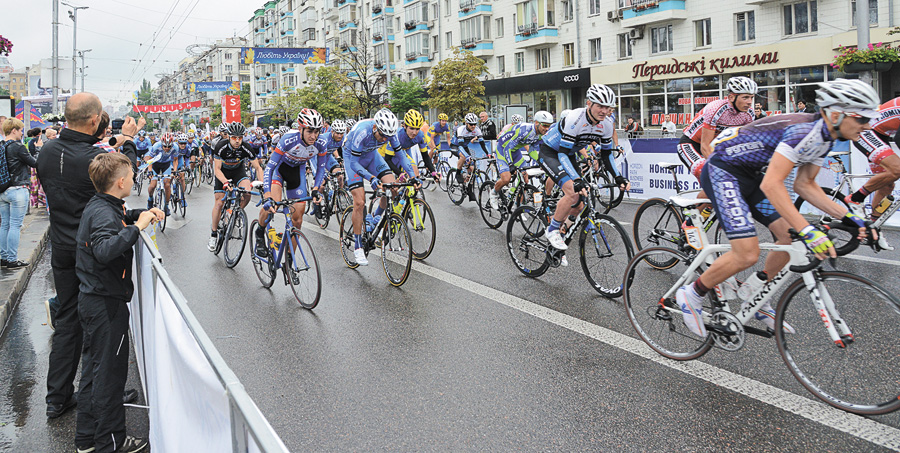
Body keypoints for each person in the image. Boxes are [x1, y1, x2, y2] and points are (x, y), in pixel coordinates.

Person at [678, 79, 879, 338]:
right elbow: (774, 184)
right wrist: (808, 230)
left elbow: (805, 185)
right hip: (723, 172)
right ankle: (692, 294)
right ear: (837, 113)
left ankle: (757, 295)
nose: (868, 126)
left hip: (752, 176)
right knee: (747, 253)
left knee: (787, 236)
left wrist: (854, 220)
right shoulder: (803, 132)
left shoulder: (826, 137)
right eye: (862, 119)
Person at [37, 92, 144, 420]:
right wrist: (127, 140)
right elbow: (125, 178)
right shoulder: (94, 158)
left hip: (62, 248)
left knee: (68, 322)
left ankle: (57, 397)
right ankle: (103, 392)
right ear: (96, 120)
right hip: (95, 250)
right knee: (104, 327)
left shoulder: (46, 152)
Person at [75, 152, 160, 453]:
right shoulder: (102, 212)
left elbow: (116, 220)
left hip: (94, 299)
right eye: (133, 175)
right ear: (121, 181)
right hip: (105, 303)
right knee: (109, 378)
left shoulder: (103, 204)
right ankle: (111, 442)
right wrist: (137, 229)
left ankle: (86, 439)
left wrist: (139, 215)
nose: (135, 179)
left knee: (93, 371)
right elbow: (105, 249)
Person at [539, 84, 618, 250]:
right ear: (589, 103)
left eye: (607, 107)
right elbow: (561, 153)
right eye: (600, 106)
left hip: (569, 154)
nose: (604, 111)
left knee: (580, 204)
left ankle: (560, 238)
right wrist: (576, 179)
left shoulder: (607, 125)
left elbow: (606, 154)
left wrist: (618, 177)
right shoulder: (575, 118)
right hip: (551, 152)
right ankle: (552, 230)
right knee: (573, 190)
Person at [676, 76, 758, 207]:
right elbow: (705, 146)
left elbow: (744, 143)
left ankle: (705, 217)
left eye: (752, 97)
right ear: (731, 97)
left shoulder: (748, 114)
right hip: (691, 144)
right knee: (712, 181)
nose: (750, 102)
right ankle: (691, 223)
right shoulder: (715, 109)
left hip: (716, 147)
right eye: (745, 97)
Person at [256, 109, 327, 255]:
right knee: (272, 205)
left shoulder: (321, 143)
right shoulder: (288, 140)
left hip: (297, 172)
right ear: (300, 128)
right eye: (310, 131)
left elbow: (321, 169)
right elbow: (270, 167)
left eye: (317, 131)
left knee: (298, 220)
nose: (313, 136)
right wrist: (267, 194)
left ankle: (289, 259)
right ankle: (259, 231)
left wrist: (315, 188)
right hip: (280, 171)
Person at [343, 109, 400, 266]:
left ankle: (374, 219)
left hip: (371, 156)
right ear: (375, 127)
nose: (384, 139)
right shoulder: (363, 131)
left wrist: (413, 177)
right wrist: (371, 177)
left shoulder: (389, 133)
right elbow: (354, 163)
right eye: (382, 135)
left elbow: (400, 156)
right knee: (360, 202)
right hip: (351, 158)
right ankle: (358, 247)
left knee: (393, 187)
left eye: (387, 137)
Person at [847, 95, 900, 250]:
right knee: (897, 169)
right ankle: (855, 198)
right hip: (866, 131)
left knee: (887, 186)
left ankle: (874, 226)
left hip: (880, 135)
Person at [209, 122, 264, 252]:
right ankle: (213, 234)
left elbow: (257, 167)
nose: (237, 141)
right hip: (223, 172)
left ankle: (235, 212)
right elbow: (216, 169)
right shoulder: (221, 146)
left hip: (238, 171)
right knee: (219, 203)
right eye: (234, 137)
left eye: (240, 137)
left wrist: (262, 183)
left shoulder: (246, 147)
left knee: (247, 192)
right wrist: (225, 182)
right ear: (229, 136)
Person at [489, 111, 553, 210]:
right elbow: (507, 148)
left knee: (525, 178)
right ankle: (494, 193)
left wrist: (541, 162)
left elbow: (532, 151)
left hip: (515, 152)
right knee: (506, 178)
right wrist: (510, 164)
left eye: (549, 126)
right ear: (536, 123)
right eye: (544, 125)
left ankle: (516, 205)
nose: (547, 128)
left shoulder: (540, 134)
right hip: (503, 149)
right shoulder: (524, 130)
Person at [1, 118, 38, 268]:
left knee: (5, 225)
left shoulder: (2, 146)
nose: (22, 133)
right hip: (18, 189)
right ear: (14, 130)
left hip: (3, 190)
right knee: (15, 225)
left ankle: (3, 257)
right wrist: (39, 149)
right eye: (20, 130)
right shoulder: (18, 147)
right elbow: (34, 163)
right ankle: (12, 259)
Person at [450, 113, 490, 202]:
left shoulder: (477, 130)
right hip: (455, 146)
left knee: (472, 168)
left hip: (464, 147)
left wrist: (488, 154)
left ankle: (468, 187)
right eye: (471, 124)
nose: (473, 126)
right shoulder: (461, 129)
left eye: (475, 124)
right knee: (464, 157)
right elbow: (460, 146)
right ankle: (458, 173)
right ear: (466, 123)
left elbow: (482, 144)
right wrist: (467, 156)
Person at [143, 133, 178, 214]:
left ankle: (166, 205)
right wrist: (150, 171)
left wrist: (175, 171)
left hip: (166, 164)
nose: (167, 148)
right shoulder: (156, 146)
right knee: (152, 185)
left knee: (167, 184)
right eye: (165, 146)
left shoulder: (175, 147)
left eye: (169, 147)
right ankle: (150, 199)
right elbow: (150, 160)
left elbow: (175, 160)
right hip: (155, 164)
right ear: (162, 144)